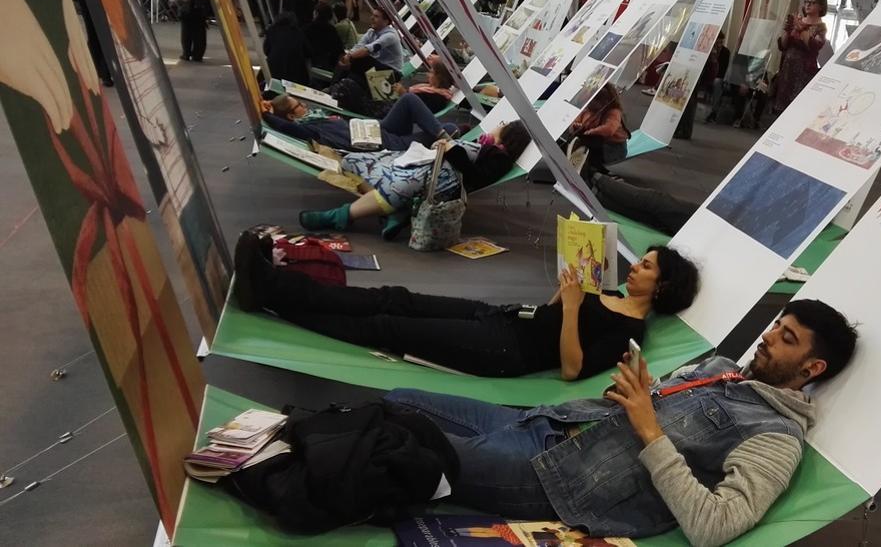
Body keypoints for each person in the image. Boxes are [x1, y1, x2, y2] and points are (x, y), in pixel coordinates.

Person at [370, 299, 855, 545]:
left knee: (403, 444)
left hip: (557, 480)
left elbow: (715, 525)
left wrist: (649, 428)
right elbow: (643, 404)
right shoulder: (721, 367)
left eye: (786, 338)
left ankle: (312, 462)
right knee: (398, 401)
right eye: (775, 326)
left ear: (811, 370)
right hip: (550, 422)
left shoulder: (775, 434)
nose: (768, 338)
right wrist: (629, 397)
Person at [234, 225, 699, 379]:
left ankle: (273, 297)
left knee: (389, 327)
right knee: (396, 297)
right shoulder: (612, 294)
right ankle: (275, 282)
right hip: (502, 317)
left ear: (661, 288)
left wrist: (576, 306)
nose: (636, 266)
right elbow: (556, 313)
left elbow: (572, 368)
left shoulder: (631, 334)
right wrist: (566, 290)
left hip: (503, 351)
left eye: (647, 266)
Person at [300, 120, 530, 239]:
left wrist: (451, 149)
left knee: (399, 185)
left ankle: (340, 216)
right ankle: (393, 212)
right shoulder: (488, 148)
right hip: (430, 168)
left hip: (439, 180)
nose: (497, 125)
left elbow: (476, 176)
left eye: (502, 125)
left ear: (508, 135)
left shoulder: (499, 158)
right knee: (359, 161)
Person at [264, 91, 452, 153]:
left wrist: (270, 103)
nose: (305, 105)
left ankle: (444, 137)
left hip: (379, 129)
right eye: (299, 105)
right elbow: (285, 127)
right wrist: (268, 115)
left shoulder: (315, 118)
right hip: (387, 144)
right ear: (291, 116)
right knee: (450, 128)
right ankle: (446, 137)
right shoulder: (309, 130)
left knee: (408, 99)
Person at [774, 0, 827, 115]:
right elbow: (782, 45)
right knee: (781, 108)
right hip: (788, 68)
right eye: (806, 2)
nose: (808, 5)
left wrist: (801, 29)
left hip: (804, 71)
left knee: (795, 109)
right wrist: (788, 30)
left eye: (812, 3)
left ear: (821, 7)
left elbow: (814, 46)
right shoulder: (797, 20)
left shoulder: (821, 27)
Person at [567, 85, 629, 175]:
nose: (589, 103)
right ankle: (575, 158)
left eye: (592, 101)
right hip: (595, 143)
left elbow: (609, 129)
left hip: (612, 149)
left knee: (594, 140)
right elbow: (576, 121)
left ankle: (594, 170)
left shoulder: (614, 112)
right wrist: (577, 125)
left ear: (604, 102)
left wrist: (590, 132)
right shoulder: (588, 110)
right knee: (576, 137)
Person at [339, 6, 410, 74]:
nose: (372, 18)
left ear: (386, 21)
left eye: (376, 16)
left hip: (392, 71)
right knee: (343, 57)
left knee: (360, 59)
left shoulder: (390, 36)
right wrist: (347, 56)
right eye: (372, 15)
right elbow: (359, 46)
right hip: (379, 65)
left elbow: (368, 50)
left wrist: (350, 57)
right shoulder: (371, 32)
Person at [263, 12, 311, 85]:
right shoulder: (298, 32)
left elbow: (266, 50)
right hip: (295, 72)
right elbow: (308, 52)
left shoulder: (271, 30)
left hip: (274, 69)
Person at [305, 2, 345, 71]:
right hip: (329, 68)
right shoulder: (332, 30)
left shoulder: (307, 29)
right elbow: (340, 51)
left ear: (316, 13)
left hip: (310, 66)